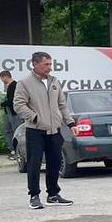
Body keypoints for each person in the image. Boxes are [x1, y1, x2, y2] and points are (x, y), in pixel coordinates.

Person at [12, 52, 75, 210]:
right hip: (35, 131)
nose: (49, 67)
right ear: (35, 64)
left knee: (54, 163)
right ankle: (34, 196)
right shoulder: (24, 83)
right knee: (34, 164)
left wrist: (70, 123)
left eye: (50, 64)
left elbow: (62, 105)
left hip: (55, 130)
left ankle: (53, 194)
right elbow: (19, 105)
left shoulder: (54, 81)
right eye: (45, 64)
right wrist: (34, 117)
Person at [0, 70, 21, 159]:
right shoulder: (10, 86)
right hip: (9, 113)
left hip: (14, 113)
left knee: (16, 132)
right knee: (6, 129)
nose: (2, 81)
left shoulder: (14, 85)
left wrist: (2, 104)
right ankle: (13, 149)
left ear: (5, 77)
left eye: (2, 78)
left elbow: (12, 100)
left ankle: (17, 151)